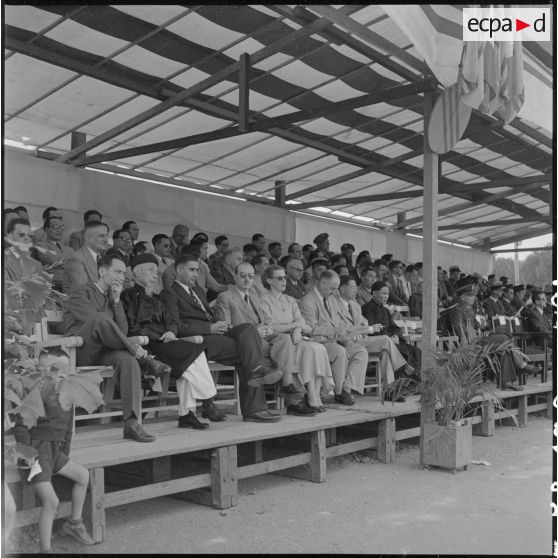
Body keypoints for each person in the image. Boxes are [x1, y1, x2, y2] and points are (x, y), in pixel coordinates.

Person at [160, 254, 283, 423]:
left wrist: (216, 322)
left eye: (197, 270)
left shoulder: (196, 290)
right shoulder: (170, 292)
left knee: (247, 330)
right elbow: (175, 325)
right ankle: (255, 407)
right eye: (192, 270)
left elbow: (206, 315)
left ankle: (257, 377)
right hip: (196, 340)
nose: (196, 274)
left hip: (214, 333)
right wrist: (209, 328)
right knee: (246, 353)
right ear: (179, 270)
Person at [64, 253, 171, 442]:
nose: (121, 276)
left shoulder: (112, 297)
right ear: (102, 270)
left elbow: (122, 330)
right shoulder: (80, 291)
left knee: (128, 360)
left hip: (104, 351)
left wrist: (116, 301)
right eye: (117, 271)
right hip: (80, 351)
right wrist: (135, 347)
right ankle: (143, 358)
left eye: (123, 273)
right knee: (99, 319)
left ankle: (131, 422)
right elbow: (93, 321)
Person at [121, 254, 224, 430]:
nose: (156, 274)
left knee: (192, 356)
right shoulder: (128, 296)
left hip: (165, 339)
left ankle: (187, 414)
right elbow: (132, 326)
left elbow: (170, 319)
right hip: (146, 343)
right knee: (190, 356)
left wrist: (170, 330)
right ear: (137, 273)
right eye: (151, 270)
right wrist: (155, 335)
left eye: (156, 271)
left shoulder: (156, 297)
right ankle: (207, 401)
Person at [11, 348, 95, 552]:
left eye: (63, 371)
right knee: (52, 502)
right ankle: (45, 550)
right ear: (40, 371)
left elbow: (67, 429)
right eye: (51, 370)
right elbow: (21, 427)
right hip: (34, 454)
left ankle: (74, 523)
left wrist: (64, 453)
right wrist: (27, 457)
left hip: (54, 453)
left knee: (83, 476)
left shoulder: (68, 395)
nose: (58, 375)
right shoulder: (35, 393)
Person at [214, 263, 316, 416]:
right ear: (234, 277)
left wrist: (267, 327)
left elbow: (265, 320)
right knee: (289, 354)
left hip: (263, 338)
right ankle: (295, 400)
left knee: (284, 340)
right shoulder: (225, 297)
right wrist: (255, 331)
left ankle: (287, 384)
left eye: (250, 276)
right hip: (244, 342)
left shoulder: (254, 296)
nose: (247, 279)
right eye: (242, 275)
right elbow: (225, 327)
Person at [260, 264, 335, 412]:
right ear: (269, 281)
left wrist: (298, 329)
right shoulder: (263, 300)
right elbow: (271, 327)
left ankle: (315, 396)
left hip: (295, 337)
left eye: (285, 278)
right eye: (280, 278)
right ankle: (309, 397)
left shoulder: (289, 299)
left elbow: (302, 321)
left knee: (318, 348)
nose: (284, 281)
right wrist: (295, 326)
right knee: (309, 350)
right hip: (278, 341)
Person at [448, 284, 536, 390]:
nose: (473, 298)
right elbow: (460, 331)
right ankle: (521, 366)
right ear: (462, 297)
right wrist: (479, 332)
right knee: (504, 339)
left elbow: (479, 326)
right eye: (470, 295)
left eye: (473, 295)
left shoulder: (470, 310)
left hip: (479, 340)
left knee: (504, 340)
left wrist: (485, 327)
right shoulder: (456, 311)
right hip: (469, 344)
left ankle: (506, 382)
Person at [336, 276, 409, 402]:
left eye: (356, 287)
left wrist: (364, 330)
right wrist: (365, 330)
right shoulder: (335, 305)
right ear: (342, 289)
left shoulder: (355, 305)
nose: (356, 290)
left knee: (385, 352)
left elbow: (364, 323)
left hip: (362, 340)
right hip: (346, 340)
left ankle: (389, 391)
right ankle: (405, 367)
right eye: (353, 287)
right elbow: (340, 327)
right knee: (386, 340)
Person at [300, 270, 368, 405]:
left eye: (336, 288)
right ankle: (338, 392)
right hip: (322, 341)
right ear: (322, 283)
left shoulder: (331, 299)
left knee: (360, 352)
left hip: (337, 338)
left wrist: (345, 331)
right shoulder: (309, 300)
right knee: (340, 352)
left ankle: (347, 387)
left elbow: (338, 320)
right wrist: (334, 330)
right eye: (332, 288)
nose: (335, 292)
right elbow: (311, 328)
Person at [361, 282, 421, 371]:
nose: (386, 296)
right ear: (374, 293)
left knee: (416, 351)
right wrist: (390, 338)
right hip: (380, 342)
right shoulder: (366, 308)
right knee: (404, 352)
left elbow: (394, 328)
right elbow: (370, 330)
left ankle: (418, 377)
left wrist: (396, 335)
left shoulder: (386, 310)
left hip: (391, 340)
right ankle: (405, 379)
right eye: (384, 293)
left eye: (388, 294)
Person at [62, 220, 110, 293]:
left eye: (107, 235)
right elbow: (83, 289)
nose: (106, 240)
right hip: (82, 302)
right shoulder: (75, 259)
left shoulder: (101, 258)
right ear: (88, 238)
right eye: (101, 236)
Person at [31, 216, 73, 291]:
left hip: (70, 284)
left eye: (62, 227)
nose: (59, 230)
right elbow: (54, 260)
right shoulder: (40, 246)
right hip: (52, 285)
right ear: (46, 229)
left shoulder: (69, 249)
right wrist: (69, 261)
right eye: (55, 227)